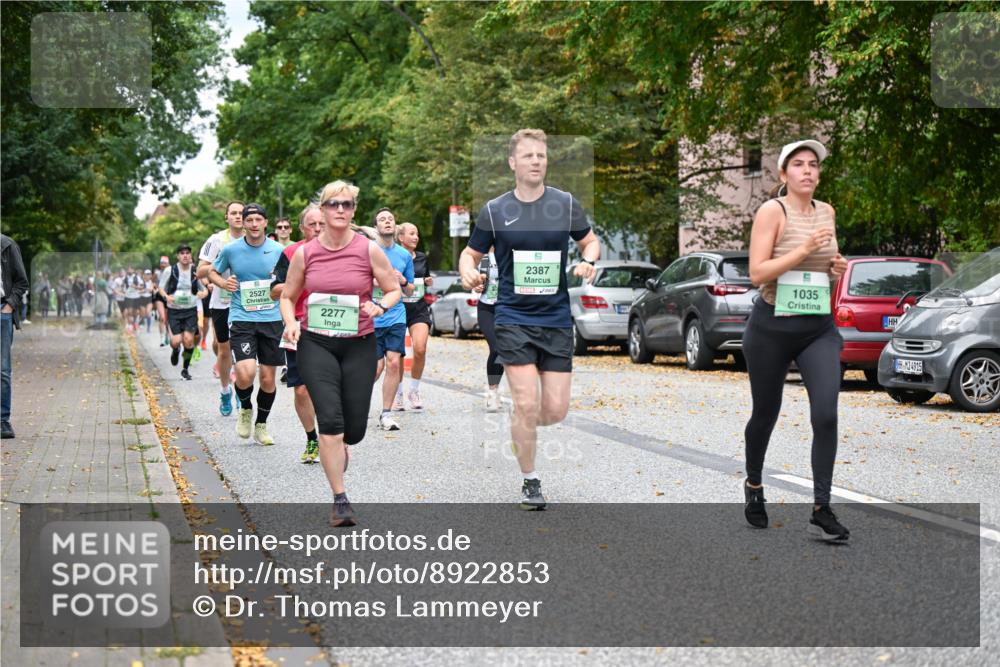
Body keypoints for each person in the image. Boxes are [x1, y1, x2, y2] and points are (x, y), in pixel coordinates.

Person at [459, 128, 601, 510]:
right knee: (525, 403)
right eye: (528, 156)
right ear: (513, 163)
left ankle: (520, 430)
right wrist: (467, 272)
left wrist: (588, 260)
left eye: (541, 155)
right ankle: (530, 480)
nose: (536, 161)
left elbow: (589, 240)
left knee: (555, 410)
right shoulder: (495, 210)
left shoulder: (565, 204)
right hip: (512, 316)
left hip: (555, 317)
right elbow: (470, 254)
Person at [743, 139, 850, 541]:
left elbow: (824, 269)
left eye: (814, 165)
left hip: (817, 328)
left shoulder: (827, 212)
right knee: (765, 413)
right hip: (771, 328)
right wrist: (804, 247)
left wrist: (835, 268)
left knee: (826, 413)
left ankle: (822, 507)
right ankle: (754, 485)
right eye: (799, 164)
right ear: (783, 173)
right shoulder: (773, 211)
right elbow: (758, 272)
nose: (808, 171)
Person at [280, 180, 402, 527]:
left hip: (359, 343)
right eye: (333, 204)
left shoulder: (368, 249)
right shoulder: (305, 253)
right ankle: (340, 498)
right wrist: (290, 323)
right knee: (330, 422)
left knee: (355, 429)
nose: (339, 210)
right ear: (322, 208)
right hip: (316, 343)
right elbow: (288, 296)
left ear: (353, 210)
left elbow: (393, 290)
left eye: (346, 204)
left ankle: (342, 444)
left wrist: (380, 306)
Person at [209, 203, 284, 445]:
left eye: (258, 220)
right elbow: (211, 271)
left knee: (268, 380)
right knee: (245, 372)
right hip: (242, 317)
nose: (253, 224)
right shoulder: (231, 250)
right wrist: (223, 283)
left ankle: (261, 424)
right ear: (243, 222)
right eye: (249, 220)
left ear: (265, 223)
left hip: (272, 319)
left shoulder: (278, 250)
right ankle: (245, 408)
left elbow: (291, 279)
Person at [270, 203, 324, 463]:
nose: (317, 229)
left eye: (322, 224)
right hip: (299, 326)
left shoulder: (343, 251)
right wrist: (297, 282)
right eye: (312, 224)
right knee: (302, 390)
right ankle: (312, 438)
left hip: (335, 328)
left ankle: (334, 435)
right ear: (302, 228)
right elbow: (274, 290)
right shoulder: (291, 252)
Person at [197, 201, 244, 415]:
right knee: (225, 349)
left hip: (247, 302)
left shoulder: (253, 238)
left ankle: (242, 392)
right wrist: (221, 269)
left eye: (241, 213)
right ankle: (225, 391)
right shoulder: (217, 240)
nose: (238, 217)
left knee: (244, 350)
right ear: (226, 217)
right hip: (222, 302)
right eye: (233, 213)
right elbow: (200, 271)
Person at [370, 208, 414, 431]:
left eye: (390, 219)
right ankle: (355, 401)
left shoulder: (404, 255)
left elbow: (411, 291)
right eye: (382, 219)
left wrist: (404, 282)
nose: (387, 222)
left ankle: (386, 414)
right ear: (376, 226)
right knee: (376, 368)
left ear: (395, 227)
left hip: (395, 316)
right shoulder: (368, 251)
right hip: (372, 317)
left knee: (394, 362)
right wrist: (378, 282)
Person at [392, 222, 432, 411]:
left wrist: (427, 281)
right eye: (411, 233)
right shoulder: (394, 256)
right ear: (401, 237)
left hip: (419, 308)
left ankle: (414, 390)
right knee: (398, 353)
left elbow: (424, 279)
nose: (416, 237)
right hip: (398, 308)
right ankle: (398, 392)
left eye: (417, 233)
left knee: (420, 348)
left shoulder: (423, 257)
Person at [159, 245, 208, 380]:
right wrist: (166, 297)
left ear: (190, 255)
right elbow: (161, 288)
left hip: (190, 310)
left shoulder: (195, 271)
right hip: (174, 310)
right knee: (176, 341)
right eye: (182, 253)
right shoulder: (170, 270)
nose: (185, 255)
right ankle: (175, 350)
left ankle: (185, 369)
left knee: (188, 340)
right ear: (178, 256)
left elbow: (204, 289)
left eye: (187, 253)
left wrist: (202, 294)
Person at [1, 234, 29, 439]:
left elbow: (21, 281)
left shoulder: (7, 245)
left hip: (2, 311)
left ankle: (2, 420)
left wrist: (9, 306)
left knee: (2, 369)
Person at [476, 250, 503, 411]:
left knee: (503, 350)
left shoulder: (509, 252)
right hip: (486, 307)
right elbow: (471, 277)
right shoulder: (482, 256)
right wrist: (476, 284)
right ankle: (492, 392)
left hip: (506, 308)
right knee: (496, 347)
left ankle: (494, 389)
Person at [153, 256, 171, 345]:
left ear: (168, 264)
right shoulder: (157, 273)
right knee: (162, 318)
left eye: (165, 263)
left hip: (168, 296)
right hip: (159, 296)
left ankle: (168, 335)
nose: (163, 265)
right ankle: (162, 338)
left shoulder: (171, 271)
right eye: (162, 263)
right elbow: (153, 282)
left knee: (168, 319)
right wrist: (155, 287)